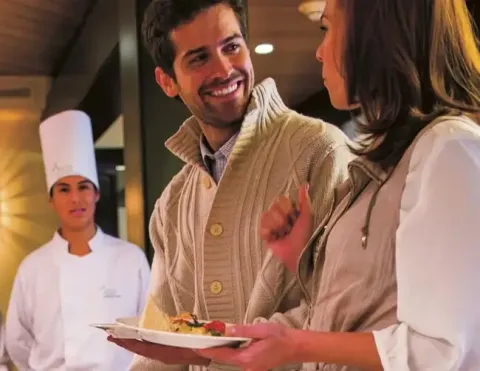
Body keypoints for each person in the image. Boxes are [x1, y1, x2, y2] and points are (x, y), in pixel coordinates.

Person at [197, 0, 480, 369]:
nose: (319, 51)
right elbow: (355, 312)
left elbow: (445, 352)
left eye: (326, 29)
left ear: (376, 36)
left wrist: (298, 346)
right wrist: (302, 257)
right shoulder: (388, 161)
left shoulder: (449, 148)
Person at [107, 0, 354, 369]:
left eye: (232, 47)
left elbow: (350, 306)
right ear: (167, 81)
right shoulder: (172, 205)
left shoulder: (320, 151)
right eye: (198, 58)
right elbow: (164, 333)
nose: (224, 69)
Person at [6, 110, 151, 371]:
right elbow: (18, 343)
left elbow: (150, 327)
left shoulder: (131, 258)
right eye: (64, 189)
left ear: (96, 194)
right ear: (51, 200)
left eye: (83, 187)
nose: (75, 199)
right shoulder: (33, 267)